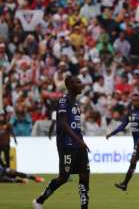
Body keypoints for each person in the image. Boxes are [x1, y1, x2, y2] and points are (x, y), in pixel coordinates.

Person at [33, 76, 90, 209]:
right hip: (67, 145)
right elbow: (63, 124)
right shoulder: (64, 101)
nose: (82, 84)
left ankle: (84, 207)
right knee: (63, 177)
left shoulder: (75, 103)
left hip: (79, 144)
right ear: (70, 85)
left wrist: (80, 141)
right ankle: (39, 200)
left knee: (85, 174)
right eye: (78, 82)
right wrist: (79, 141)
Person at [106, 93, 139, 191]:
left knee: (133, 161)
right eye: (133, 100)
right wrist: (112, 133)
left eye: (137, 100)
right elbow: (123, 125)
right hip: (136, 142)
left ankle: (124, 184)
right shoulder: (130, 112)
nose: (135, 102)